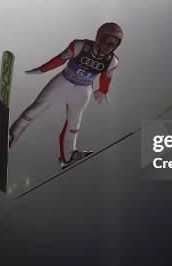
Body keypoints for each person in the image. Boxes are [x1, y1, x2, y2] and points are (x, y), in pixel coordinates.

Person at [9, 22, 122, 167]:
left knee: (74, 124)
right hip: (63, 83)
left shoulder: (112, 60)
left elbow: (106, 77)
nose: (110, 46)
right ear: (99, 37)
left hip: (83, 91)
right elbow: (60, 59)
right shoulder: (80, 46)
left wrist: (103, 90)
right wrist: (41, 69)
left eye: (115, 43)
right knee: (35, 109)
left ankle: (68, 155)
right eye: (108, 40)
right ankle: (12, 136)